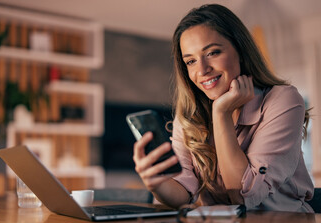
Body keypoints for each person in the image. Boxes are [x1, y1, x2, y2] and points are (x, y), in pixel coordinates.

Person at [133, 4, 314, 212]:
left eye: (212, 53)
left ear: (241, 51)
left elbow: (243, 196)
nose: (202, 70)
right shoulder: (189, 116)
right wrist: (155, 183)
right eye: (190, 61)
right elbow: (182, 190)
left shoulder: (283, 100)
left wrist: (221, 113)